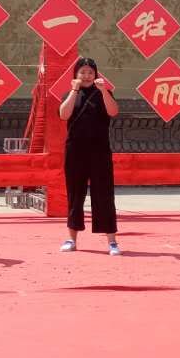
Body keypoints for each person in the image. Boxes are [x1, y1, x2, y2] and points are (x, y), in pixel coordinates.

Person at [58, 57, 120, 254]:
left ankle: (112, 241)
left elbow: (113, 111)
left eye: (90, 72)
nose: (86, 76)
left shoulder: (104, 93)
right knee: (75, 195)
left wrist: (103, 91)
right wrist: (74, 90)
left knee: (104, 195)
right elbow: (63, 115)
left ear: (96, 74)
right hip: (75, 151)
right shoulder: (70, 94)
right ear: (76, 74)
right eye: (82, 72)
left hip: (100, 151)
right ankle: (71, 239)